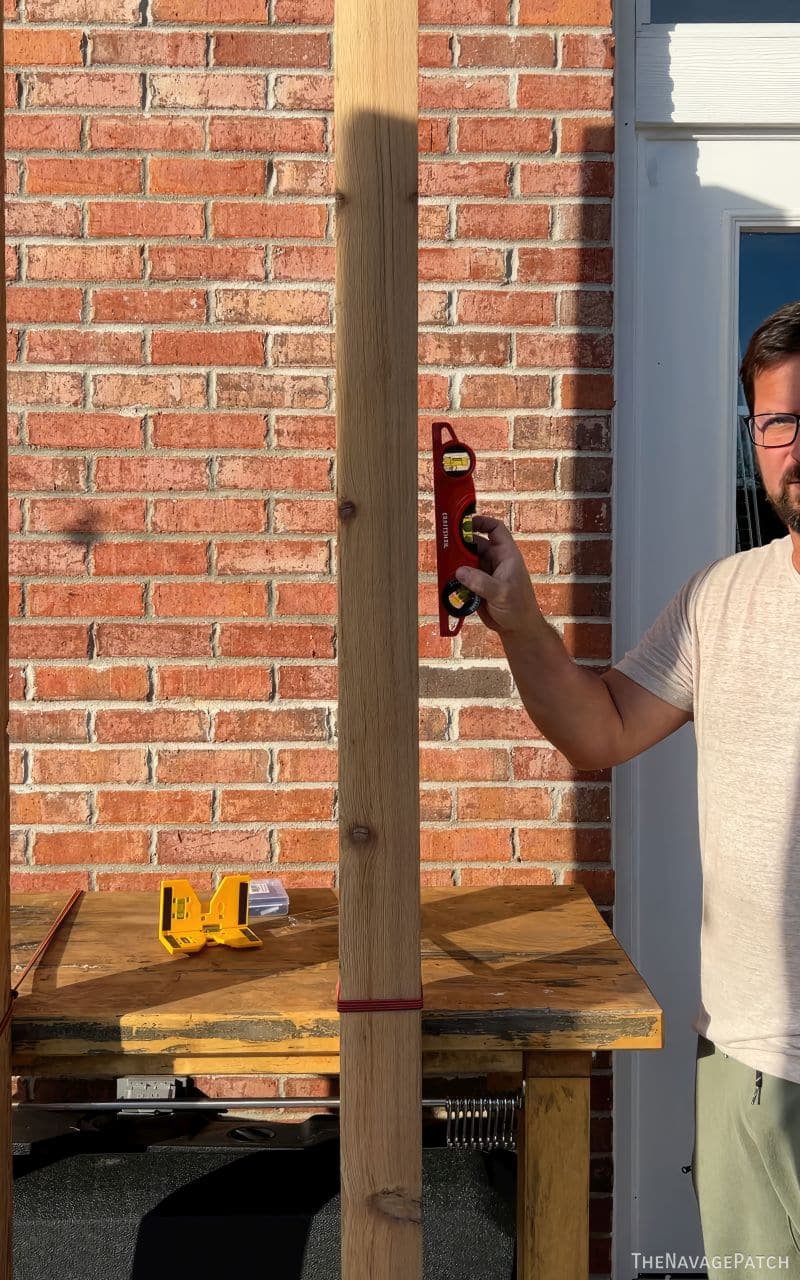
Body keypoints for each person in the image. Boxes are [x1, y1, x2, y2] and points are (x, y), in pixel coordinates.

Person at [454, 299, 800, 1277]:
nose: (794, 442)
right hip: (751, 1061)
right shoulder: (719, 597)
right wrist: (519, 621)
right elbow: (597, 729)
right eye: (778, 421)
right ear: (755, 437)